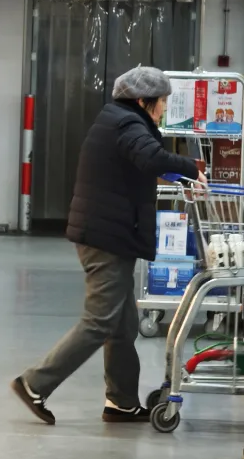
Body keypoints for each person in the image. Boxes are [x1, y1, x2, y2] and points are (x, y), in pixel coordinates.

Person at [12, 66, 206, 425]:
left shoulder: (119, 119)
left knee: (122, 325)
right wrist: (190, 168)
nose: (165, 108)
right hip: (107, 238)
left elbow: (139, 164)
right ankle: (34, 383)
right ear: (143, 101)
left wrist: (176, 175)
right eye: (162, 101)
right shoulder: (127, 123)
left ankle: (122, 401)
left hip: (110, 233)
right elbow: (150, 157)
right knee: (99, 322)